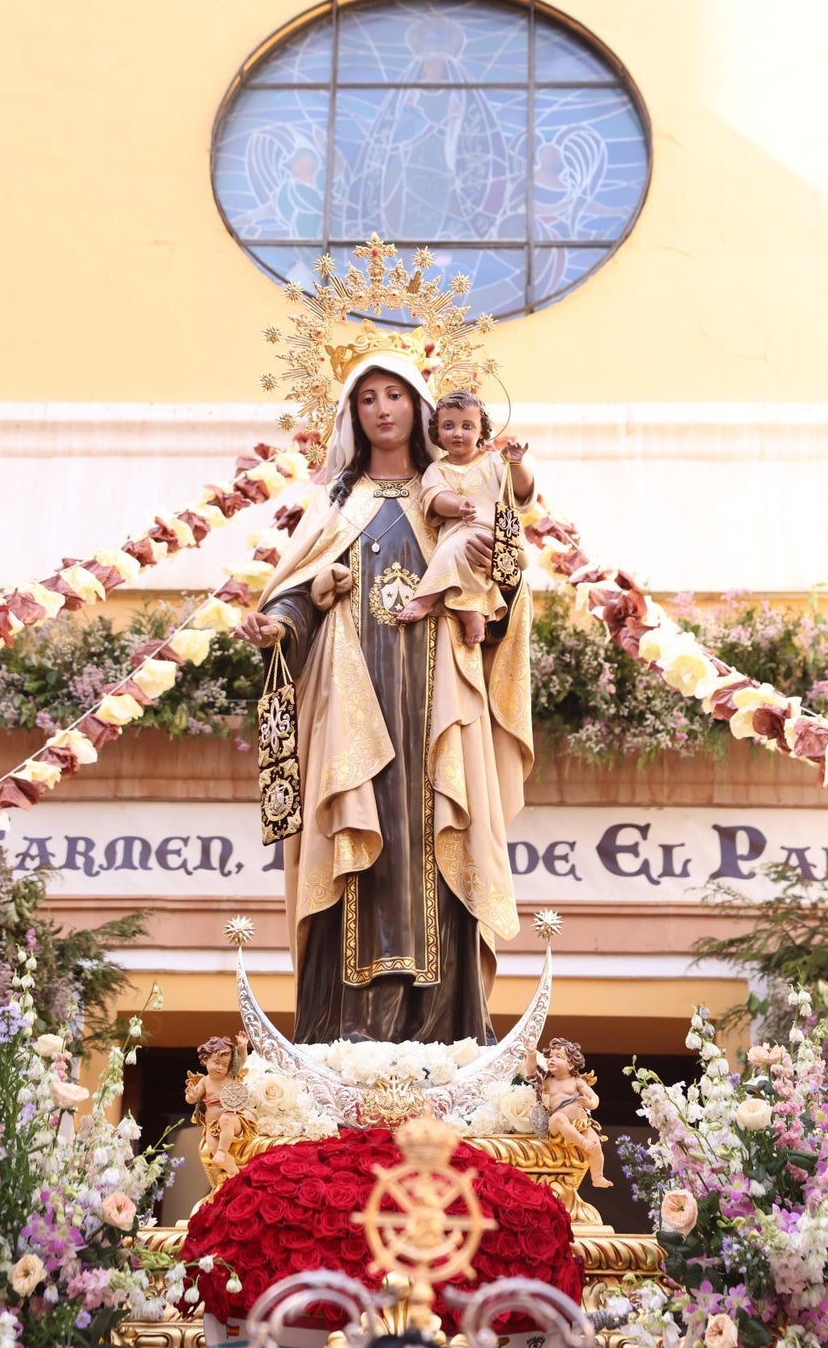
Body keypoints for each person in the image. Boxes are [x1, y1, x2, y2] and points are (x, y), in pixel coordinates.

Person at [238, 341, 533, 1045]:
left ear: (420, 406)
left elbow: (503, 591)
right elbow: (293, 597)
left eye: (393, 396)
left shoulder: (453, 496)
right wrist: (280, 619)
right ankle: (346, 1030)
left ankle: (445, 1033)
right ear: (351, 414)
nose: (381, 410)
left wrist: (497, 578)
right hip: (353, 704)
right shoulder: (338, 505)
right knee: (361, 838)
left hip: (438, 704)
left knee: (435, 833)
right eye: (367, 399)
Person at [396, 389, 534, 647]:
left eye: (467, 426)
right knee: (455, 560)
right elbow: (435, 498)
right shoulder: (438, 469)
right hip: (458, 531)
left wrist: (516, 465)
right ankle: (471, 615)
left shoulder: (494, 462)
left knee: (453, 551)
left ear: (482, 431)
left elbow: (521, 492)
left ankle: (425, 599)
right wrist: (459, 506)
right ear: (437, 432)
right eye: (448, 426)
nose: (457, 433)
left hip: (493, 535)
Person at [524, 1036, 612, 1189]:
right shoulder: (548, 1080)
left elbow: (595, 1098)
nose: (552, 1059)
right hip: (557, 1126)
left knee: (596, 1145)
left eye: (558, 1057)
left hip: (581, 1124)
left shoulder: (577, 1081)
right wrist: (531, 1054)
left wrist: (590, 1103)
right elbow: (531, 1073)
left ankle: (597, 1176)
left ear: (571, 1064)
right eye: (550, 1056)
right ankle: (582, 1143)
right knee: (558, 1117)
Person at [185, 1030, 255, 1184]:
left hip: (233, 1120)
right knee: (212, 1149)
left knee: (226, 1120)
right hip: (212, 1126)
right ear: (205, 1060)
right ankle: (235, 1175)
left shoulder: (230, 1076)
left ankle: (223, 1151)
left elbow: (242, 1060)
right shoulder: (204, 1082)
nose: (220, 1067)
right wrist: (190, 1094)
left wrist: (243, 1047)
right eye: (216, 1062)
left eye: (225, 1064)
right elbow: (192, 1099)